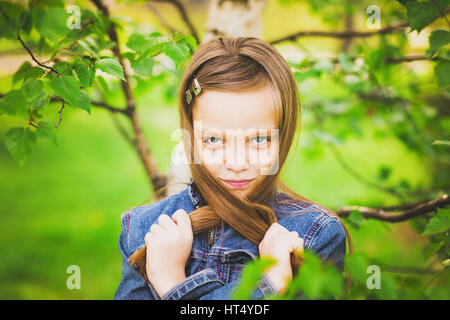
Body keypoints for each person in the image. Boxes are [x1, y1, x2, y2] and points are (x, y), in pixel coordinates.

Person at [114, 36, 352, 300]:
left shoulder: (315, 238)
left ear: (282, 136)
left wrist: (170, 283)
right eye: (214, 139)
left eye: (259, 139)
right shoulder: (145, 231)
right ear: (191, 135)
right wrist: (269, 285)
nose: (237, 163)